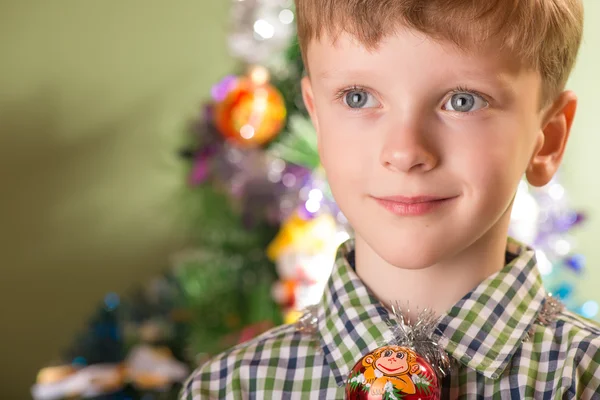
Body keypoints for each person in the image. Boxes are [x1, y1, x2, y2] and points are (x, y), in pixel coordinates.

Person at [182, 0, 600, 398]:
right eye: (357, 97)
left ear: (548, 140)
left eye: (463, 101)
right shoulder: (228, 389)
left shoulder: (587, 378)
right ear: (318, 120)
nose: (404, 152)